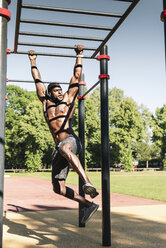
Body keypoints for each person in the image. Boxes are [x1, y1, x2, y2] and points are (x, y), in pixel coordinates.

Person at [28, 45, 99, 224]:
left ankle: (87, 182)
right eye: (56, 90)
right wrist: (33, 61)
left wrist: (80, 55)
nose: (60, 91)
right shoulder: (45, 103)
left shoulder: (67, 100)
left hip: (71, 141)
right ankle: (88, 205)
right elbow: (38, 81)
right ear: (50, 93)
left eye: (61, 89)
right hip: (59, 148)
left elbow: (76, 77)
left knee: (64, 147)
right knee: (57, 187)